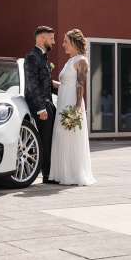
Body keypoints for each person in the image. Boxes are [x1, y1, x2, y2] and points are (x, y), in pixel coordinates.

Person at [49, 28, 96, 186]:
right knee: (62, 136)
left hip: (72, 103)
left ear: (75, 43)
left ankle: (73, 174)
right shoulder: (70, 61)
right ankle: (62, 174)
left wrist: (77, 107)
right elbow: (64, 84)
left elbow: (80, 83)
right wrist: (48, 81)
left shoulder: (81, 60)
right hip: (63, 101)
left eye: (66, 42)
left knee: (71, 137)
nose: (63, 44)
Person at [24, 26, 58, 184]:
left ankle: (50, 172)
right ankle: (47, 175)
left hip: (48, 103)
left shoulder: (43, 57)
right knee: (45, 140)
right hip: (41, 106)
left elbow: (45, 84)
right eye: (51, 38)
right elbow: (32, 85)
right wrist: (40, 108)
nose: (53, 42)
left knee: (50, 139)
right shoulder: (32, 57)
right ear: (42, 38)